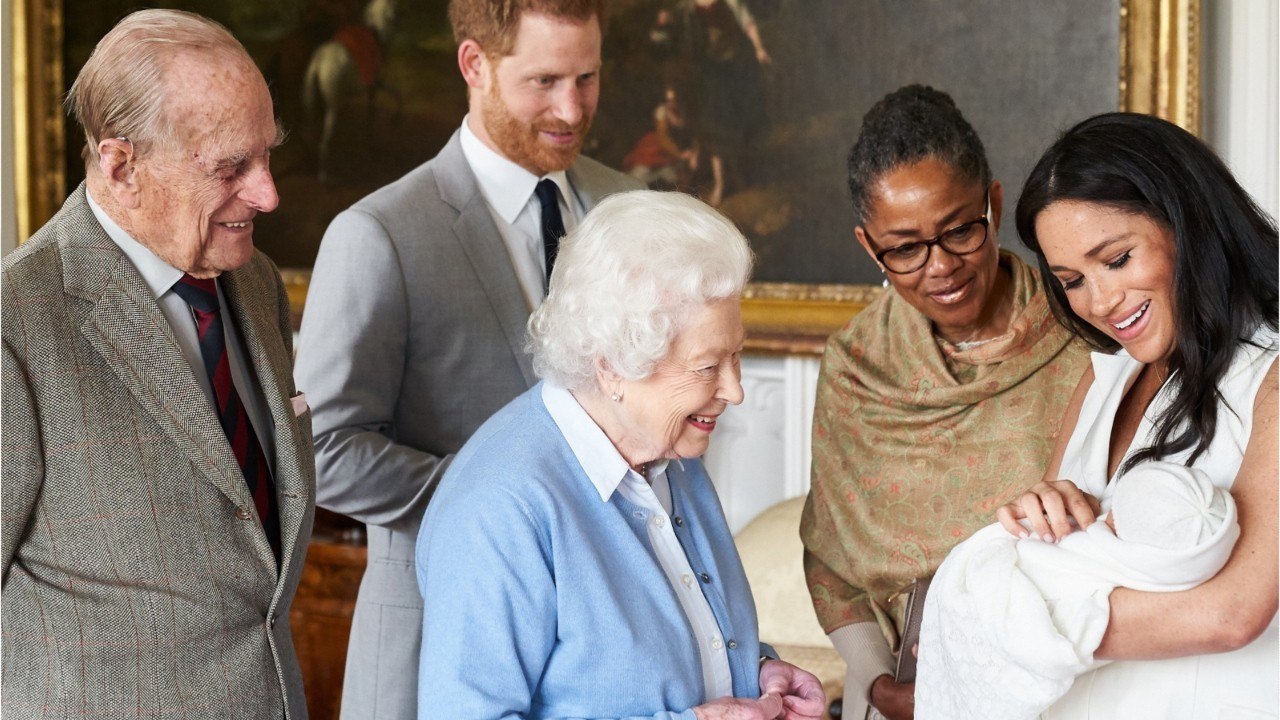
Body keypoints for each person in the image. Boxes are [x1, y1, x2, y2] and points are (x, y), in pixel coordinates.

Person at [293, 1, 642, 717]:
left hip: (608, 653)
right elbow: (322, 449)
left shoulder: (629, 206)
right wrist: (505, 502)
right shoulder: (378, 235)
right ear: (474, 65)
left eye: (588, 79)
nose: (572, 110)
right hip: (434, 640)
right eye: (544, 81)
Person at [1, 9, 314, 718]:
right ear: (121, 166)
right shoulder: (15, 324)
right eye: (231, 167)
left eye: (268, 156)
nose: (268, 193)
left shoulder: (256, 283)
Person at [416, 190, 826, 720]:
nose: (735, 390)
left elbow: (643, 661)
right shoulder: (499, 509)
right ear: (612, 366)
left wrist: (757, 674)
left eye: (737, 356)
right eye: (707, 367)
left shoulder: (672, 451)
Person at [798, 85, 1091, 720]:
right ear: (868, 246)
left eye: (960, 230)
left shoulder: (1084, 332)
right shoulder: (856, 368)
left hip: (1068, 681)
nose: (941, 267)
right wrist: (878, 684)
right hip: (902, 690)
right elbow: (831, 557)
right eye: (904, 247)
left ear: (994, 203)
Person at [991, 111, 1278, 719]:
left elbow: (1233, 614)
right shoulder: (1101, 380)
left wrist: (1011, 613)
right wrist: (1039, 517)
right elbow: (1051, 552)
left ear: (1188, 223)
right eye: (1071, 279)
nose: (1100, 302)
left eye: (1117, 259)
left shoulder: (1271, 380)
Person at [916, 461, 1238, 719]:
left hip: (1005, 583)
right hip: (1003, 562)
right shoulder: (1180, 563)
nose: (1106, 517)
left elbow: (1046, 644)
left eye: (1114, 517)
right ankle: (941, 653)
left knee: (973, 606)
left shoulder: (1106, 577)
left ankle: (942, 659)